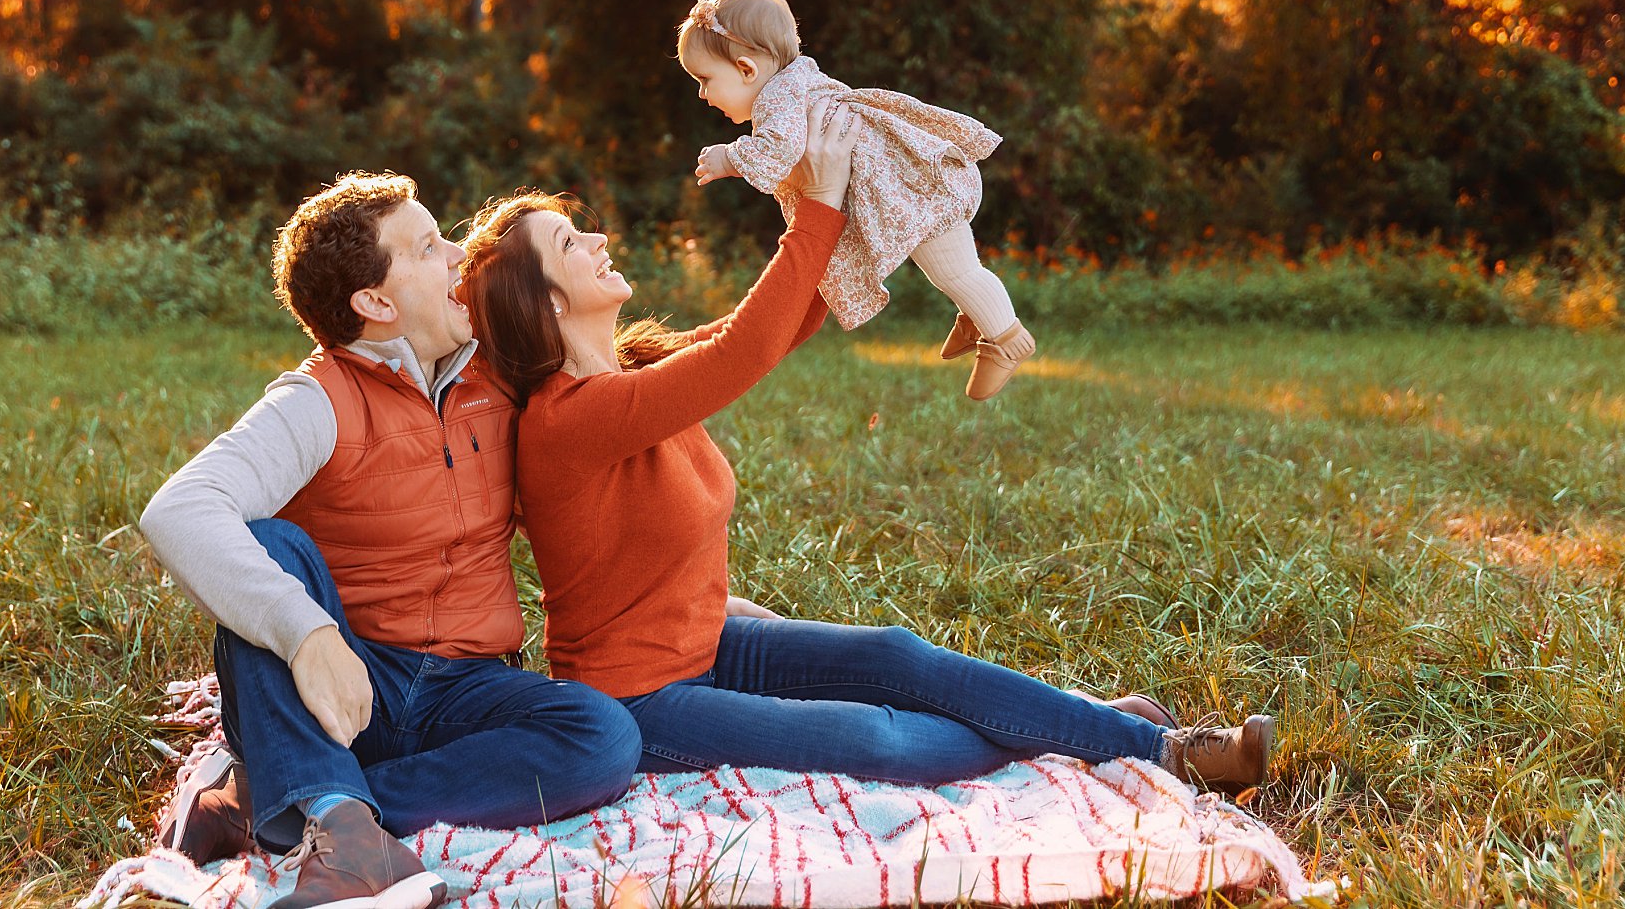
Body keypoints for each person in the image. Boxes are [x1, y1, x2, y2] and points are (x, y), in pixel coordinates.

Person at [456, 107, 1274, 794]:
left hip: (711, 641)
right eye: (570, 243)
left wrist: (847, 210)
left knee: (895, 655)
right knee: (881, 742)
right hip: (641, 697)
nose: (597, 238)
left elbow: (778, 328)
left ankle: (1105, 729)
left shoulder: (632, 364)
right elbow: (740, 353)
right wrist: (817, 213)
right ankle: (1136, 745)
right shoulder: (567, 420)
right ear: (548, 302)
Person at [139, 172, 642, 909]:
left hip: (468, 691)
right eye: (431, 245)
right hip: (348, 687)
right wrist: (308, 632)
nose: (460, 253)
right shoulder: (318, 398)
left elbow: (584, 520)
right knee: (271, 546)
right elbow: (179, 507)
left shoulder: (494, 382)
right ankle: (345, 841)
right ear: (375, 303)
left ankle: (288, 803)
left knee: (603, 734)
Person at [679, 0, 1030, 400]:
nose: (702, 94)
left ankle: (1007, 340)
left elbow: (783, 148)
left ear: (746, 69)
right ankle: (977, 314)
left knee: (956, 271)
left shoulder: (778, 100)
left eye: (704, 79)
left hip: (911, 190)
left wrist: (730, 159)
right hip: (906, 187)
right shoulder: (796, 78)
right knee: (952, 270)